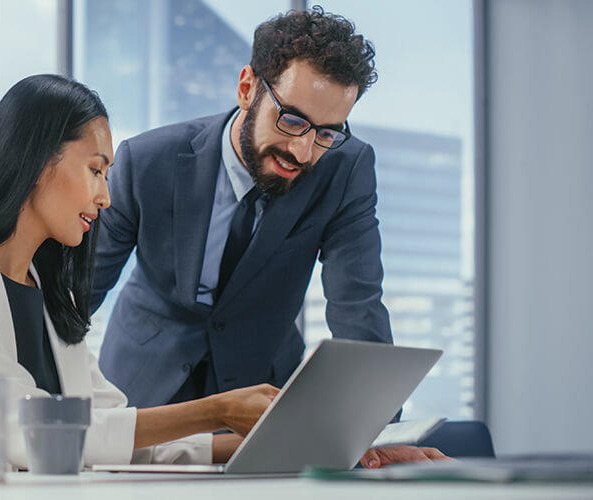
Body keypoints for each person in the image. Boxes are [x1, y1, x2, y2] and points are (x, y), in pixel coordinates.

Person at [88, 8, 446, 467]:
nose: (303, 150)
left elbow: (358, 309)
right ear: (246, 88)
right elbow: (74, 300)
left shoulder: (346, 169)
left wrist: (372, 433)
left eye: (326, 133)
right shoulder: (147, 160)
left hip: (263, 403)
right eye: (292, 121)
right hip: (146, 397)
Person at [0, 74, 278, 468]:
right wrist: (215, 410)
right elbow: (17, 427)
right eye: (96, 170)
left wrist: (253, 444)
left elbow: (109, 435)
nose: (106, 197)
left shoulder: (50, 295)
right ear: (40, 163)